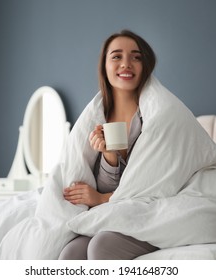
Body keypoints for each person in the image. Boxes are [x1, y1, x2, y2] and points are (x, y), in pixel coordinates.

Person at [59, 30, 159, 260]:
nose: (126, 64)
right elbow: (105, 184)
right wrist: (109, 156)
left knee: (101, 246)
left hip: (147, 215)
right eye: (116, 56)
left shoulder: (157, 117)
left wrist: (102, 199)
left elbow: (155, 185)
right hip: (114, 215)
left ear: (146, 65)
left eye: (136, 57)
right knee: (70, 254)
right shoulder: (97, 117)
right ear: (104, 65)